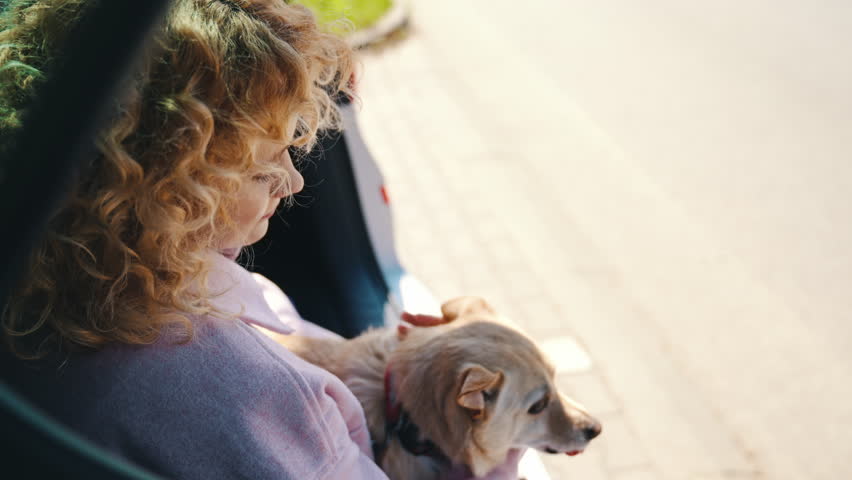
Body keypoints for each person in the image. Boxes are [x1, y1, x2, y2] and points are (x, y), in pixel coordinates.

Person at [0, 1, 522, 478]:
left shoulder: (35, 284)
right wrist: (496, 432)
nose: (293, 182)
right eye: (262, 165)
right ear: (171, 189)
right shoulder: (263, 397)